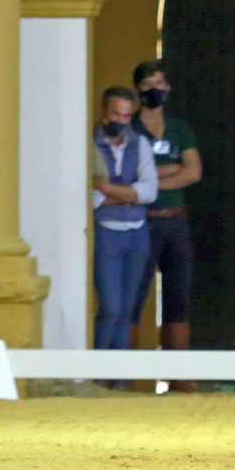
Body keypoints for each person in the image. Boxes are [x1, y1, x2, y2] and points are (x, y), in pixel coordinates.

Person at [128, 59, 203, 393]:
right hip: (141, 223)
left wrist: (149, 181)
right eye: (147, 84)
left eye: (159, 82)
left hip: (176, 223)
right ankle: (125, 374)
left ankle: (178, 374)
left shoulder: (179, 128)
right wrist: (170, 169)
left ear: (168, 88)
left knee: (179, 296)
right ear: (137, 89)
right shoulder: (128, 128)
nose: (154, 89)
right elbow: (126, 175)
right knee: (133, 296)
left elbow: (193, 172)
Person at [91, 87, 158, 378]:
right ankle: (98, 375)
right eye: (116, 114)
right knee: (111, 306)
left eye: (127, 115)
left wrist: (107, 189)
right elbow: (89, 198)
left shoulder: (139, 142)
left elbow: (150, 190)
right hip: (107, 232)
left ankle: (118, 379)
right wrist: (130, 194)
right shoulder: (88, 144)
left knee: (129, 307)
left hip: (138, 233)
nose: (121, 120)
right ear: (105, 112)